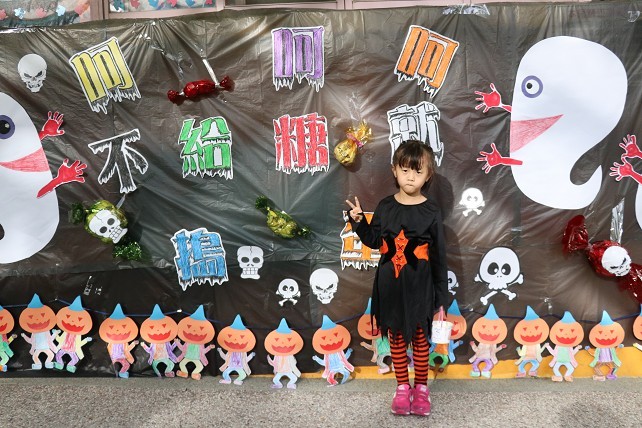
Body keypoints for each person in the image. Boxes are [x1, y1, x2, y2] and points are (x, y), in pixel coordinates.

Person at [346, 140, 449, 416]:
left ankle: (421, 389)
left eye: (418, 171)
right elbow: (374, 241)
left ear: (428, 174)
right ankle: (402, 387)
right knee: (396, 338)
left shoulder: (431, 210)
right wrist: (359, 221)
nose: (410, 177)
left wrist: (441, 299)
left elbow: (439, 257)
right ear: (394, 171)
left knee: (420, 339)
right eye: (405, 170)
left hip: (420, 288)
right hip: (389, 286)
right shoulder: (386, 206)